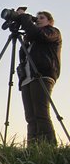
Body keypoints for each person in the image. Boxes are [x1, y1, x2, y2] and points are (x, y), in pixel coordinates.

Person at [16, 9, 62, 146]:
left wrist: (24, 18)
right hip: (27, 78)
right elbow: (24, 56)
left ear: (50, 21)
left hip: (42, 75)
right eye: (36, 18)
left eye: (41, 18)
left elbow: (38, 34)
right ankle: (33, 148)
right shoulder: (33, 40)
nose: (38, 20)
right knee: (30, 117)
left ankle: (49, 147)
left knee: (41, 113)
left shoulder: (53, 32)